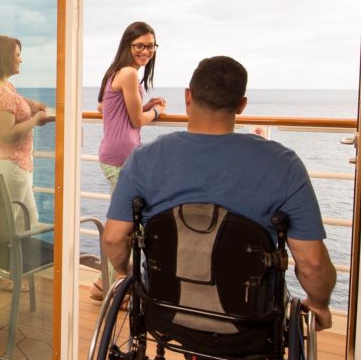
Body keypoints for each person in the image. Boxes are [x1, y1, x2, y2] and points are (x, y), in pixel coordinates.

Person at [102, 56, 336, 330]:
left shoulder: (143, 160)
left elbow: (113, 238)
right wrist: (318, 304)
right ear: (241, 105)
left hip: (165, 311)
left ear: (188, 97)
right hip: (249, 321)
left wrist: (124, 271)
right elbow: (312, 263)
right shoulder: (283, 165)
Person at [91, 21, 167, 299]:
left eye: (151, 46)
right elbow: (136, 120)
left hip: (115, 156)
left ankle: (104, 284)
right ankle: (112, 288)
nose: (146, 51)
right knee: (124, 227)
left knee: (125, 224)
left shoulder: (117, 71)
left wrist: (144, 105)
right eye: (140, 46)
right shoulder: (129, 73)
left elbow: (107, 107)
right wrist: (156, 112)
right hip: (121, 159)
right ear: (128, 45)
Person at [0, 35, 54, 229]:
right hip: (9, 166)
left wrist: (34, 105)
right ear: (4, 58)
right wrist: (35, 120)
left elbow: (13, 100)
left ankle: (19, 250)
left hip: (0, 163)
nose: (21, 60)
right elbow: (5, 135)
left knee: (28, 220)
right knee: (11, 226)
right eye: (17, 55)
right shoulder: (3, 94)